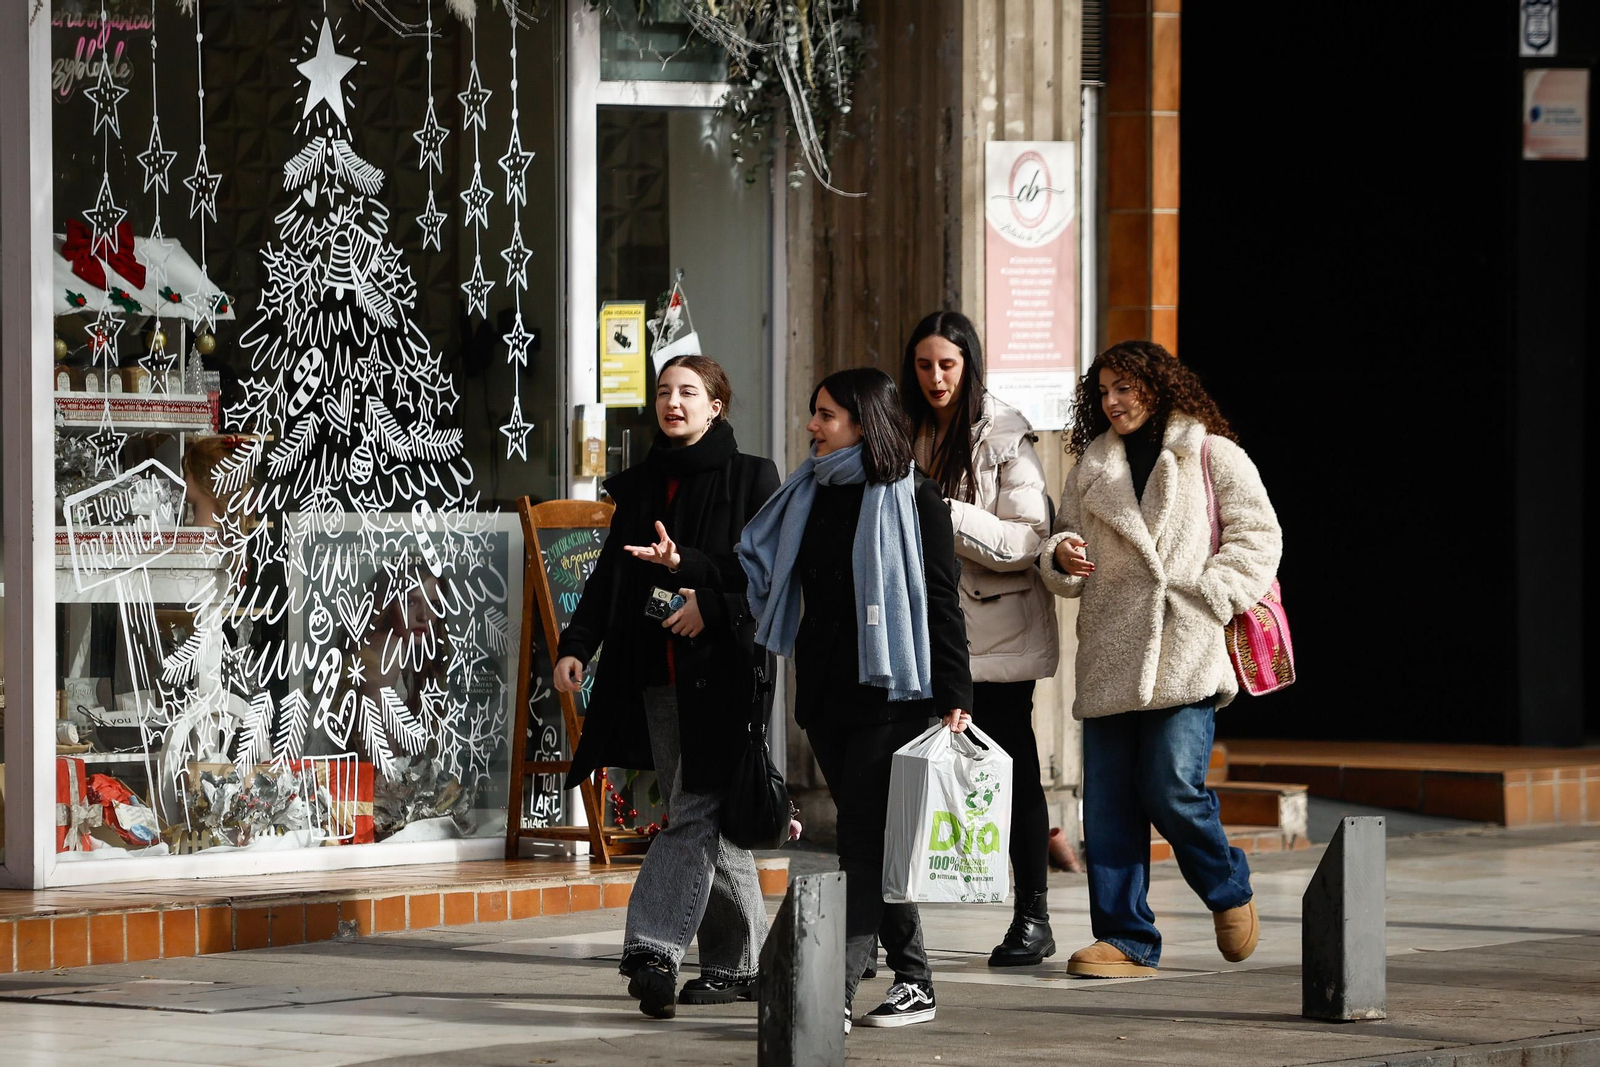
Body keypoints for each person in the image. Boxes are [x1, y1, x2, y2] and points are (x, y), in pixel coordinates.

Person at [1039, 340, 1282, 978]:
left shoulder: (1211, 452)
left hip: (1187, 647)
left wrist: (1212, 595)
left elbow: (1259, 537)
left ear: (1158, 386)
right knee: (1112, 804)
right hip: (1113, 650)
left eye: (1125, 387)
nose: (1113, 402)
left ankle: (1229, 887)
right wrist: (1060, 556)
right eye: (1103, 392)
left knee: (1171, 786)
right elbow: (1062, 538)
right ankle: (1125, 940)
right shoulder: (1092, 464)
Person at [738, 368, 972, 1032]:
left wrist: (957, 692)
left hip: (894, 692)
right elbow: (759, 566)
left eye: (826, 415)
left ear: (864, 424)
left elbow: (941, 600)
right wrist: (687, 574)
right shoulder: (811, 491)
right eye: (814, 413)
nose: (812, 425)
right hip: (824, 694)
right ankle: (917, 979)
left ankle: (832, 992)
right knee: (875, 838)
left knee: (860, 844)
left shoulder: (914, 499)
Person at [553, 355, 780, 1019]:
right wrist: (576, 646)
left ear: (716, 404)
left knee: (694, 810)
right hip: (657, 674)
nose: (673, 401)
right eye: (663, 392)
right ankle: (742, 967)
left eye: (688, 391)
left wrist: (699, 588)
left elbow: (760, 574)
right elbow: (609, 578)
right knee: (708, 817)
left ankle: (652, 945)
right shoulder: (645, 484)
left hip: (725, 673)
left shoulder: (751, 476)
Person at [900, 310, 1062, 967]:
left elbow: (1026, 542)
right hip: (925, 631)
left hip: (994, 634)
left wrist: (944, 513)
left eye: (948, 364)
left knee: (1013, 765)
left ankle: (1034, 916)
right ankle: (892, 927)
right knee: (907, 764)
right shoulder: (903, 429)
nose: (936, 378)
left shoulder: (1002, 434)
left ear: (969, 364)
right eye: (923, 364)